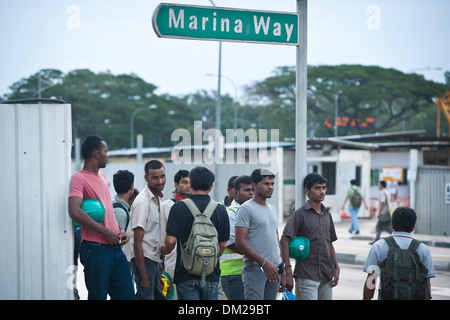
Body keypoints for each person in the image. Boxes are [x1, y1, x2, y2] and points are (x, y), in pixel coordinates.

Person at [68, 136, 135, 300]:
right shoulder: (79, 178)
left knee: (128, 296)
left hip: (115, 249)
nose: (107, 155)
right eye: (106, 151)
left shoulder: (103, 177)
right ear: (96, 154)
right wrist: (105, 231)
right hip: (95, 250)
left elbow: (107, 210)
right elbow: (74, 211)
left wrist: (119, 229)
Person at [162, 166, 230, 300]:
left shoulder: (178, 208)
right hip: (211, 274)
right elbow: (222, 245)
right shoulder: (220, 210)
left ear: (191, 184)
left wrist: (164, 251)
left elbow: (170, 241)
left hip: (185, 273)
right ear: (211, 186)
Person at [280, 172, 339, 300]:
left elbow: (329, 243)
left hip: (326, 275)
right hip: (307, 275)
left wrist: (336, 266)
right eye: (317, 188)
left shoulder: (327, 215)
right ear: (307, 190)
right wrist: (287, 271)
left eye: (323, 188)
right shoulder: (299, 214)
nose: (322, 191)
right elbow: (284, 241)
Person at [363, 207, 435, 300]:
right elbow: (426, 283)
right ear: (413, 227)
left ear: (392, 225)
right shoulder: (423, 249)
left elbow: (371, 280)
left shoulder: (379, 246)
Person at [235, 169, 284, 300]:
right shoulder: (246, 208)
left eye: (272, 183)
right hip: (255, 269)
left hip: (274, 269)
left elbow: (276, 240)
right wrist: (263, 262)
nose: (270, 187)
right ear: (255, 186)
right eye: (266, 184)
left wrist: (282, 269)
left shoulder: (272, 209)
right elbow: (240, 241)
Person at [123, 160, 166, 300]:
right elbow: (137, 242)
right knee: (146, 296)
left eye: (162, 176)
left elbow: (151, 235)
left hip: (151, 258)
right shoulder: (142, 201)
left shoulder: (155, 198)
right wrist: (144, 276)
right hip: (143, 259)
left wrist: (157, 261)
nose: (160, 181)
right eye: (155, 177)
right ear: (146, 178)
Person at [220, 175, 254, 300]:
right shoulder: (230, 213)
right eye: (247, 190)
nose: (251, 194)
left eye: (252, 190)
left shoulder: (253, 210)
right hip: (233, 273)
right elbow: (233, 243)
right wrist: (260, 258)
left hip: (250, 270)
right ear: (235, 192)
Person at [160, 169, 191, 299]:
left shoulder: (197, 205)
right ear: (176, 184)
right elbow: (162, 236)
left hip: (194, 263)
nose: (188, 185)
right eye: (184, 182)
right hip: (172, 262)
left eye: (190, 182)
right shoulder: (166, 206)